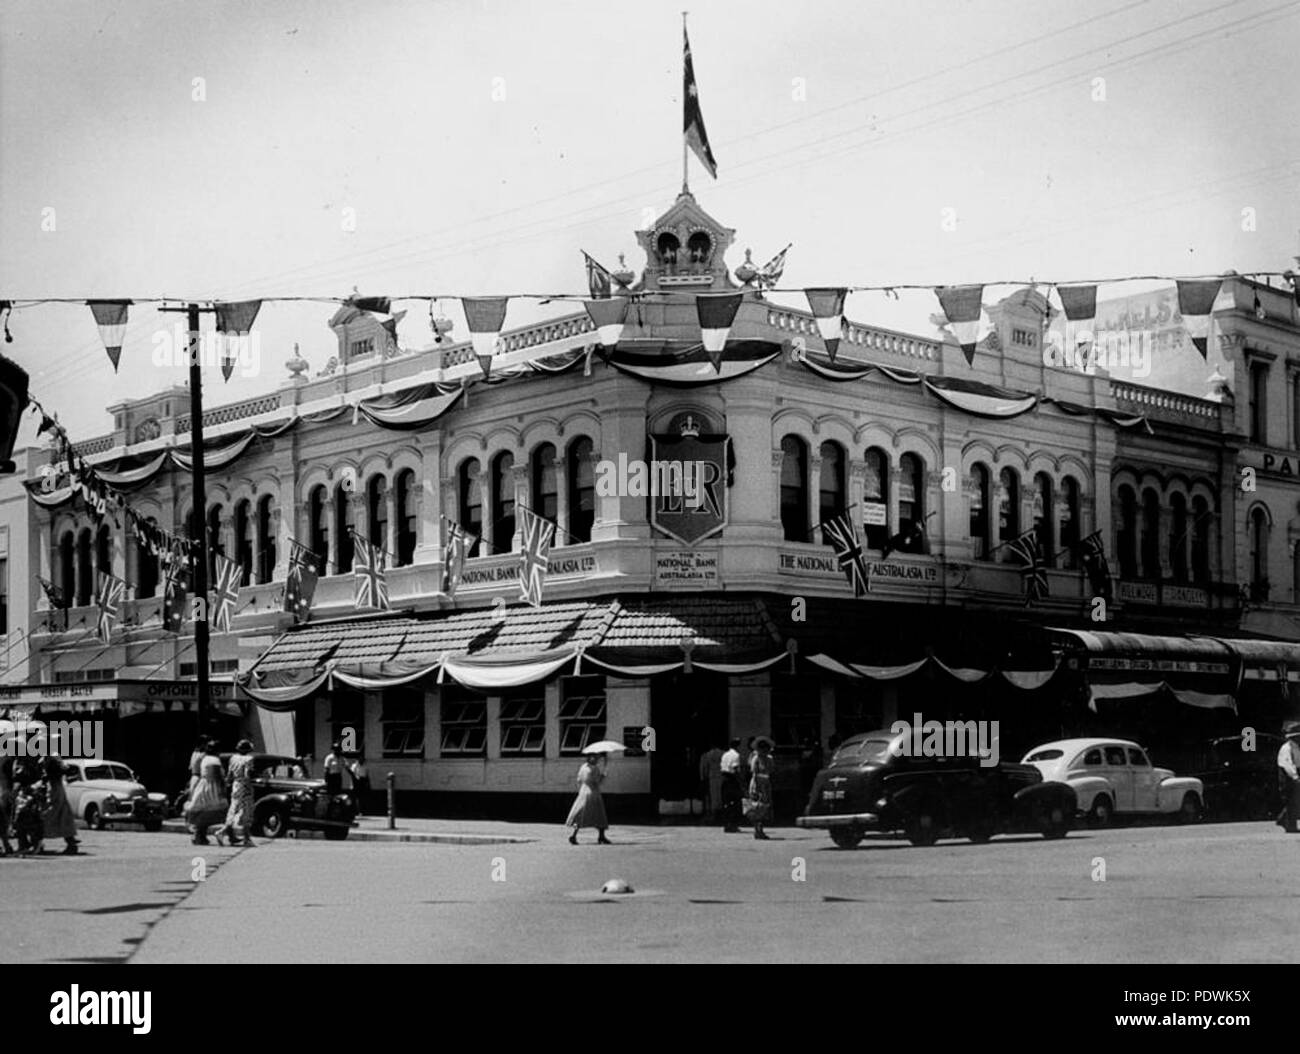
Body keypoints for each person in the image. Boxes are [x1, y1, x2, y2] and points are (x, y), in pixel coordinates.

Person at [187, 739, 229, 846]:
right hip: (212, 787)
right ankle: (230, 836)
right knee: (223, 811)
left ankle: (199, 836)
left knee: (204, 811)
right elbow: (216, 774)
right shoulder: (214, 760)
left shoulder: (205, 758)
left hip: (204, 786)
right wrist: (222, 787)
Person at [565, 751, 610, 845]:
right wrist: (603, 775)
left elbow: (579, 779)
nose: (597, 759)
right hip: (593, 793)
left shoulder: (583, 767)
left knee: (580, 815)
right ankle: (601, 836)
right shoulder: (595, 769)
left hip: (583, 792)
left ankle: (574, 835)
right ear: (590, 757)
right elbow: (597, 782)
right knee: (599, 815)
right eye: (595, 757)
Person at [42, 757, 80, 855]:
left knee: (48, 815)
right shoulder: (48, 757)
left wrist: (51, 774)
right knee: (62, 815)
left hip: (54, 787)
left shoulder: (52, 757)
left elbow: (64, 768)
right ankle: (70, 842)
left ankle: (37, 841)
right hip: (54, 787)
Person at [223, 740, 256, 847]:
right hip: (244, 785)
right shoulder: (249, 759)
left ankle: (228, 832)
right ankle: (246, 837)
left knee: (234, 808)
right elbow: (247, 774)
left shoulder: (233, 758)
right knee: (246, 810)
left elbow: (229, 775)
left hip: (235, 785)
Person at [11, 759, 46, 855]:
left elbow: (19, 778)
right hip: (25, 794)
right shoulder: (19, 762)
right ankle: (26, 844)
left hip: (28, 795)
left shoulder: (30, 764)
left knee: (26, 821)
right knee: (22, 821)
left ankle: (32, 844)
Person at [747, 736, 775, 840]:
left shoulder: (769, 759)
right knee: (756, 808)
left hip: (766, 784)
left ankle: (760, 829)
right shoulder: (756, 758)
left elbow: (771, 771)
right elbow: (754, 773)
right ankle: (757, 830)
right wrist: (757, 787)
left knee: (764, 808)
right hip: (757, 785)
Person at [1277, 725, 1300, 834]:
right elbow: (1288, 765)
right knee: (1291, 800)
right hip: (1287, 776)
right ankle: (1290, 825)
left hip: (1295, 773)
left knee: (1295, 800)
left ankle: (1283, 820)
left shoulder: (1296, 747)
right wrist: (1295, 777)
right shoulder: (1286, 748)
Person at [719, 738, 743, 833]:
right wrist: (741, 781)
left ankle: (726, 824)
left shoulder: (725, 754)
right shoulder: (736, 755)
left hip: (724, 778)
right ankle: (733, 824)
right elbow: (735, 769)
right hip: (732, 779)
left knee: (726, 803)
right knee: (735, 803)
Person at [698, 743, 723, 820]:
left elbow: (704, 767)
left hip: (711, 776)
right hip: (721, 775)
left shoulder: (707, 755)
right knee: (720, 795)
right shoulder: (723, 753)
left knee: (713, 796)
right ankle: (721, 812)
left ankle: (713, 813)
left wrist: (703, 777)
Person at [0, 755, 15, 856]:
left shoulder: (6, 759)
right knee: (2, 820)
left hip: (4, 790)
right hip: (5, 790)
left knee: (2, 820)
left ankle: (6, 845)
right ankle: (6, 845)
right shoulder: (7, 759)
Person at [350, 753, 371, 817]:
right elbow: (352, 775)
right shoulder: (354, 765)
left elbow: (367, 775)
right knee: (357, 798)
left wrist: (368, 783)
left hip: (363, 781)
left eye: (362, 758)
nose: (362, 760)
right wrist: (352, 784)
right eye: (360, 758)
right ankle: (357, 811)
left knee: (363, 797)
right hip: (356, 782)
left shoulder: (365, 766)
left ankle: (363, 810)